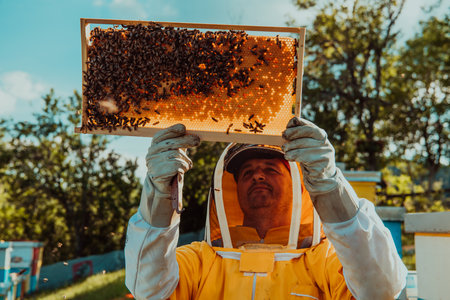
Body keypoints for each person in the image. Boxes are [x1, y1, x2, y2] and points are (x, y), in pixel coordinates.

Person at [125, 117, 407, 299]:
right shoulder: (199, 261)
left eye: (271, 169)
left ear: (297, 185)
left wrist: (332, 187)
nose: (257, 175)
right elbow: (148, 290)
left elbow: (381, 289)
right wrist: (159, 195)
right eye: (247, 172)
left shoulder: (324, 260)